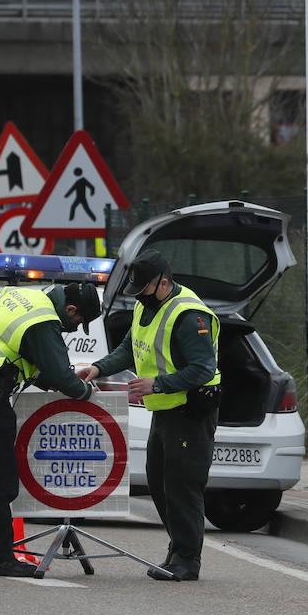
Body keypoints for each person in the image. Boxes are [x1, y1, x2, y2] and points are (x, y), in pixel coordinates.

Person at [76, 249, 220, 582]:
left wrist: (158, 384)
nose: (139, 298)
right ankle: (177, 550)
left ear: (164, 282)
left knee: (183, 487)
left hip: (190, 410)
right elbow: (129, 349)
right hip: (165, 411)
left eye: (143, 291)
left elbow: (202, 369)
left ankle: (187, 560)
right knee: (159, 483)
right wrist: (99, 368)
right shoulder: (148, 305)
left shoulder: (188, 315)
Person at [0, 278, 102, 576]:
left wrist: (55, 378)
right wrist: (86, 392)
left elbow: (27, 356)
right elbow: (59, 374)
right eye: (78, 321)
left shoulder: (26, 297)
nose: (74, 328)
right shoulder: (44, 320)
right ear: (70, 309)